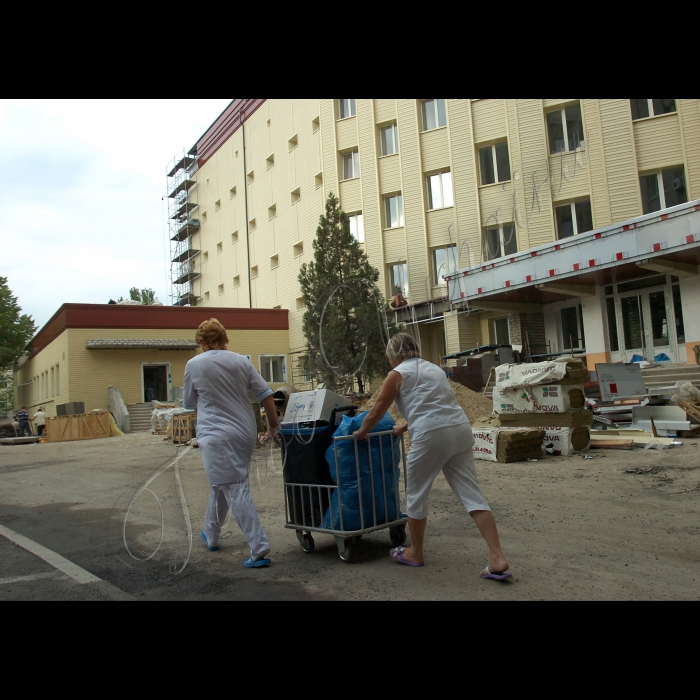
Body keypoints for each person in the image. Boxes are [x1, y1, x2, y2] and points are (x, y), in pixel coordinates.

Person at [353, 333, 511, 580]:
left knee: (416, 494)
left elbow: (377, 409)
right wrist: (405, 426)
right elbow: (436, 403)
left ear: (394, 354)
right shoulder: (434, 369)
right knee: (472, 495)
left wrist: (362, 431)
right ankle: (497, 557)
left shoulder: (397, 374)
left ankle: (415, 552)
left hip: (431, 436)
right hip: (459, 429)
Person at [183, 318, 281, 569]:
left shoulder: (194, 364)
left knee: (234, 485)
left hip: (216, 435)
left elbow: (188, 402)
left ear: (202, 343)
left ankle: (259, 547)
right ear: (224, 338)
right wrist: (273, 426)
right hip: (245, 432)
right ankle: (212, 534)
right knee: (223, 483)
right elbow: (266, 395)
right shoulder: (241, 361)